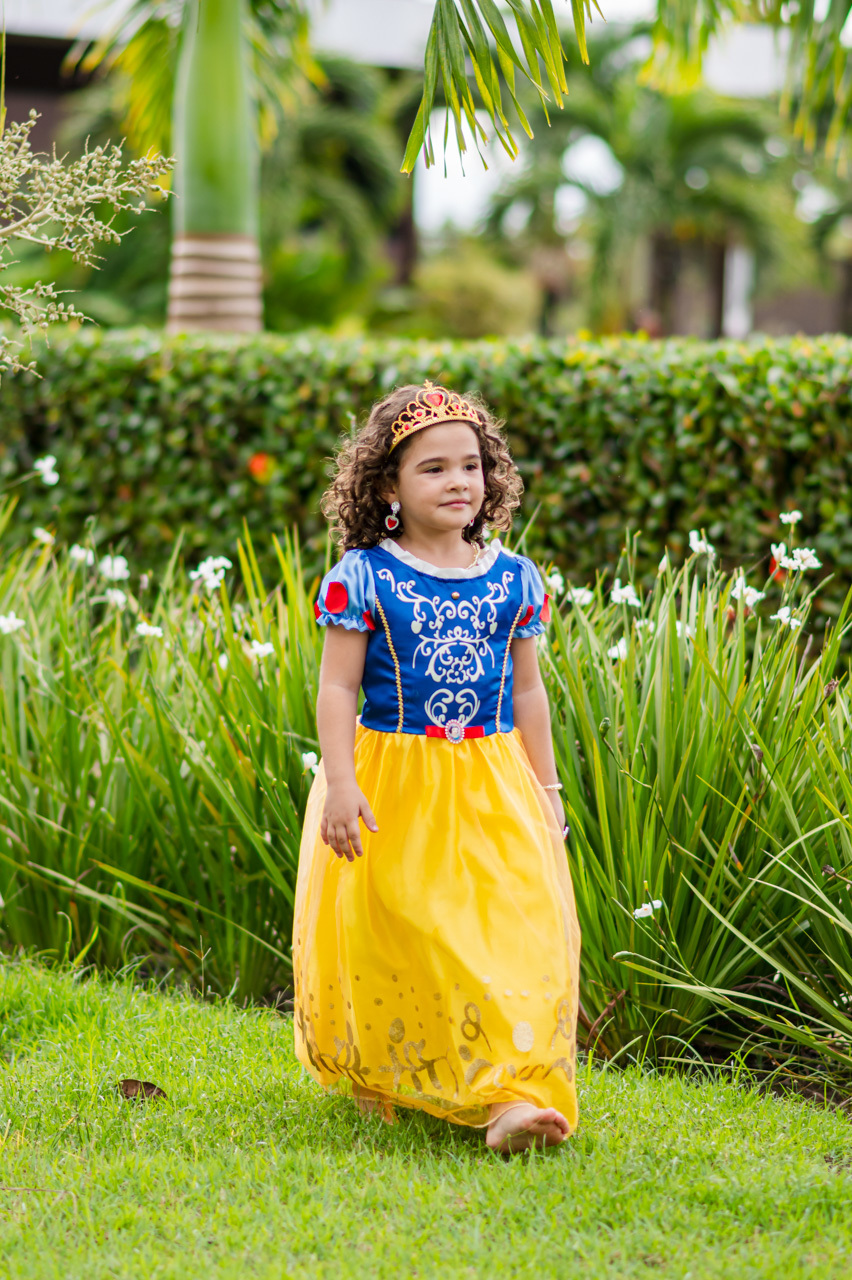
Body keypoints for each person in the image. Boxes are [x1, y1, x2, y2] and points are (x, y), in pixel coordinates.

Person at [292, 381, 581, 1153]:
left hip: (492, 780)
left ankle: (510, 1097)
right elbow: (337, 686)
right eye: (434, 469)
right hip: (393, 781)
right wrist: (342, 782)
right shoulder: (364, 577)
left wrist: (547, 788)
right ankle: (390, 1068)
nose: (459, 483)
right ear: (388, 485)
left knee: (505, 929)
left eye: (472, 466)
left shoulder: (513, 578)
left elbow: (527, 690)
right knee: (410, 928)